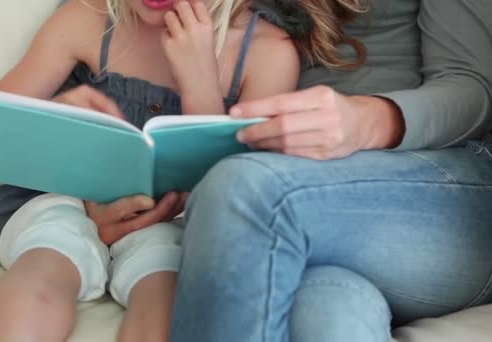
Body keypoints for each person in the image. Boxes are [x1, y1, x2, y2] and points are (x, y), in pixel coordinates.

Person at [0, 0, 367, 340]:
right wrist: (53, 116)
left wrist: (201, 83)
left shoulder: (267, 50)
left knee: (166, 295)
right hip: (65, 199)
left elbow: (243, 194)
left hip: (178, 221)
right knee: (42, 268)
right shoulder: (87, 19)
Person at [169, 0, 492, 341]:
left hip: (437, 187)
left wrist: (366, 120)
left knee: (243, 191)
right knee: (327, 310)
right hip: (298, 205)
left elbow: (473, 87)